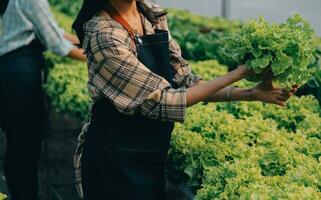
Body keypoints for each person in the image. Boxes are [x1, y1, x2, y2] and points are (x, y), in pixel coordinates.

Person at [72, 0, 297, 199]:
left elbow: (185, 81)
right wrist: (238, 73)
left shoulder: (149, 13)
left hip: (149, 151)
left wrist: (250, 94)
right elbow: (163, 100)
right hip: (114, 157)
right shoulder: (104, 34)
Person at [0, 0, 86, 199]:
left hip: (10, 69)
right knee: (25, 145)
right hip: (20, 75)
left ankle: (20, 192)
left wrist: (87, 42)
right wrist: (99, 56)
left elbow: (51, 30)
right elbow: (57, 44)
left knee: (17, 142)